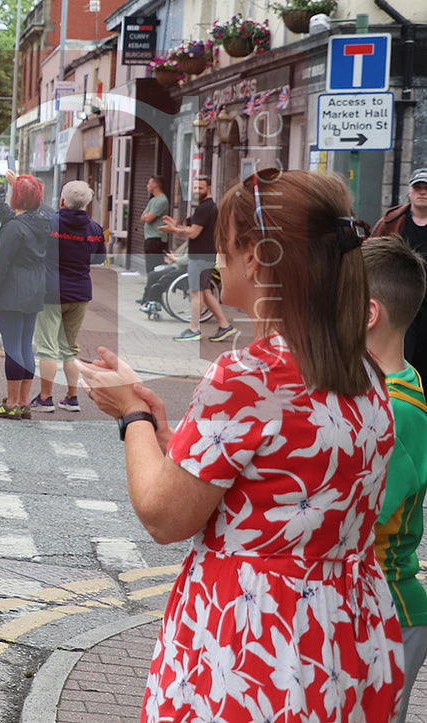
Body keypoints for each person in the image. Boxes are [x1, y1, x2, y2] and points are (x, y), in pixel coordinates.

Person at [80, 168, 401, 722]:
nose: (219, 259)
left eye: (226, 247)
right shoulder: (365, 370)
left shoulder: (250, 375)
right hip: (341, 634)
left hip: (253, 638)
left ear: (257, 258)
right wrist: (165, 432)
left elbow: (164, 516)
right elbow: (268, 479)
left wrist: (130, 414)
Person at [364, 234, 427, 723]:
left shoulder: (397, 410)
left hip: (388, 608)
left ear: (367, 314)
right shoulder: (382, 390)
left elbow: (353, 515)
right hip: (368, 602)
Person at [29, 180, 107, 416]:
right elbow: (98, 259)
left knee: (47, 348)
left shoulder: (49, 225)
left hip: (50, 292)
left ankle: (45, 398)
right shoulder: (95, 229)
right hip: (80, 293)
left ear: (62, 200)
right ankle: (72, 397)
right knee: (70, 348)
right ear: (87, 204)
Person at [0, 174, 50, 420]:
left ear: (16, 197)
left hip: (11, 292)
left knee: (12, 349)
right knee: (24, 347)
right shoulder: (42, 221)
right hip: (33, 290)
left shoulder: (13, 228)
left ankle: (10, 403)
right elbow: (16, 218)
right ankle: (22, 402)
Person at [161, 175, 234, 343]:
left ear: (208, 189)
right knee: (205, 292)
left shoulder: (205, 208)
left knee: (196, 293)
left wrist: (173, 230)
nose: (196, 191)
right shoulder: (206, 207)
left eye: (200, 188)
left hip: (200, 257)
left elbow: (193, 233)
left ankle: (194, 329)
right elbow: (193, 229)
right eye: (194, 188)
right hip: (206, 256)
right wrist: (177, 226)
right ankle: (224, 326)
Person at [371, 167, 427, 378]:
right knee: (399, 360)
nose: (422, 192)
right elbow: (372, 256)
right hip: (400, 302)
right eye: (418, 188)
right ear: (410, 192)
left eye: (426, 188)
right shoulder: (390, 223)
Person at [140, 175, 170, 275]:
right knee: (149, 266)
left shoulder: (162, 200)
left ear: (155, 185)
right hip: (149, 238)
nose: (147, 186)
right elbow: (142, 217)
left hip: (157, 239)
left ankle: (154, 287)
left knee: (155, 267)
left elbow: (148, 218)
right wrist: (145, 216)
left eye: (149, 183)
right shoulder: (153, 200)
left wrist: (146, 216)